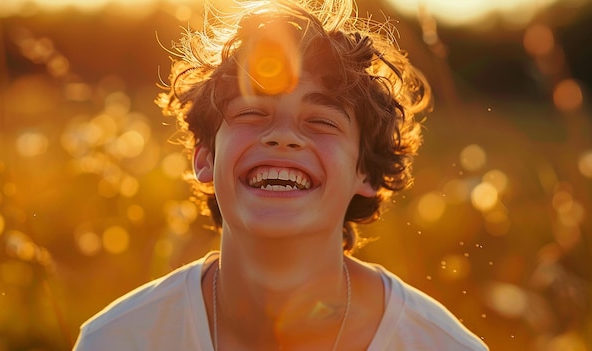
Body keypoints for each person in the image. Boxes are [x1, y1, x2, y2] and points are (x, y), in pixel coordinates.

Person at [73, 0, 489, 350]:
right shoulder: (116, 339)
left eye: (322, 122)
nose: (283, 137)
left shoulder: (440, 345)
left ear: (367, 170)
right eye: (252, 112)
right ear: (203, 158)